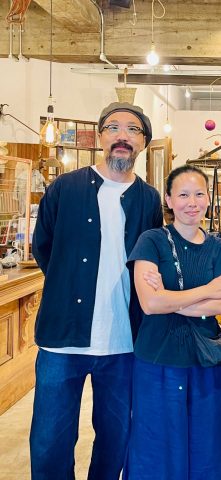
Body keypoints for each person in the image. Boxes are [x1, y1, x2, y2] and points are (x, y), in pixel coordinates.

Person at [30, 102, 162, 479]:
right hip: (62, 339)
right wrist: (67, 284)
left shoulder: (149, 199)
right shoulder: (65, 188)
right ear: (101, 137)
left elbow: (151, 260)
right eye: (113, 127)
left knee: (115, 439)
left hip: (123, 341)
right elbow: (43, 247)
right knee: (50, 442)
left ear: (143, 143)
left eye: (133, 130)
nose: (122, 136)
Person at [125, 164, 221, 479]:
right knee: (155, 443)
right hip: (157, 358)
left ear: (209, 199)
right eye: (183, 195)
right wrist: (205, 292)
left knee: (205, 444)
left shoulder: (217, 247)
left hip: (205, 361)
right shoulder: (151, 241)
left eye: (199, 194)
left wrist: (171, 300)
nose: (192, 202)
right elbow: (150, 303)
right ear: (169, 200)